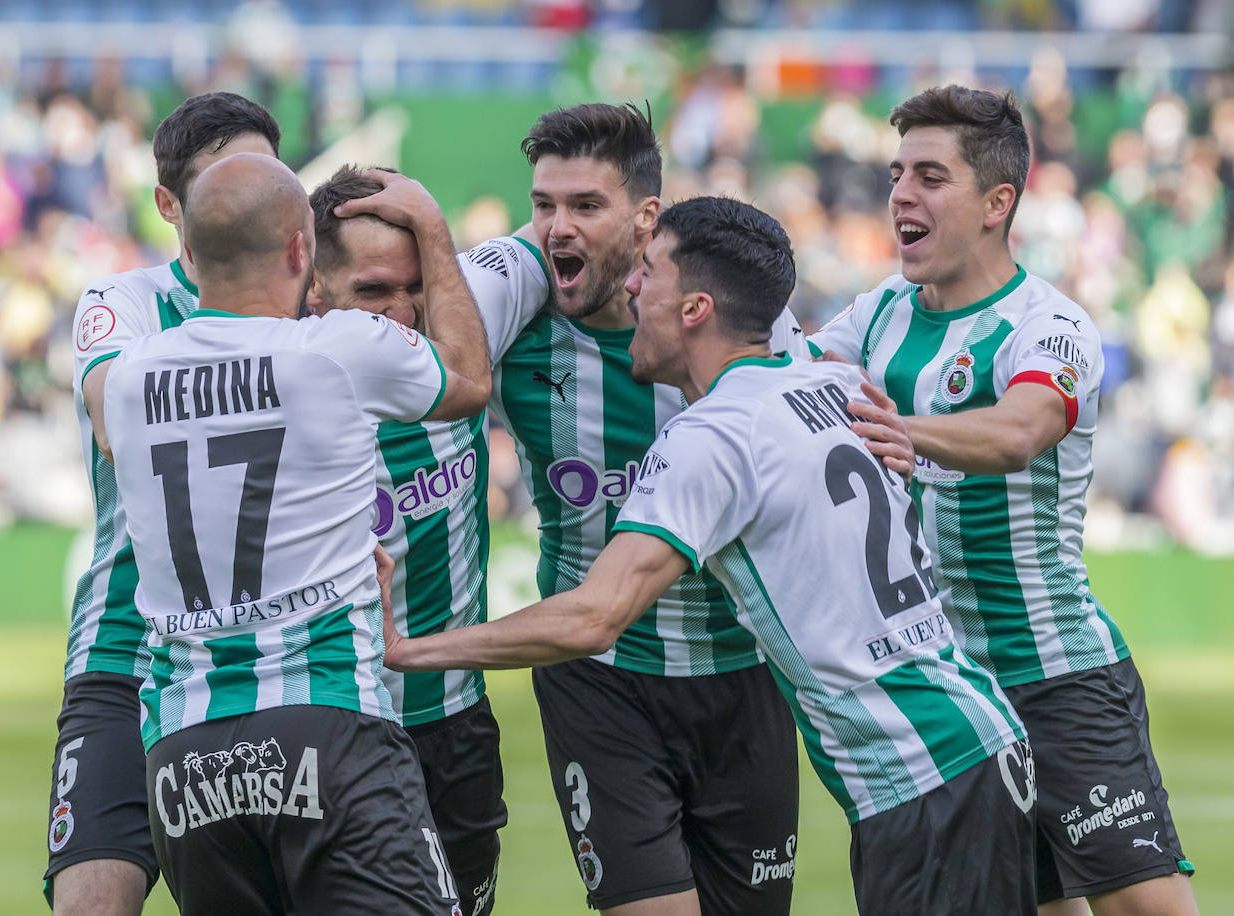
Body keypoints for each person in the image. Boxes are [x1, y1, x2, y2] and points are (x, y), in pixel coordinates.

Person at [386, 195, 1039, 916]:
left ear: (694, 308)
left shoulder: (718, 433)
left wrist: (409, 650)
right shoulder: (837, 384)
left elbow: (595, 618)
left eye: (651, 274)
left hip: (923, 776)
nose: (632, 286)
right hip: (973, 740)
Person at [809, 85, 1199, 916]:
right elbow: (787, 388)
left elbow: (1020, 430)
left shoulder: (1049, 325)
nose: (901, 195)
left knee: (1147, 909)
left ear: (997, 202)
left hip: (1055, 674)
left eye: (930, 176)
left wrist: (902, 432)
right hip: (948, 693)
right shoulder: (877, 314)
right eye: (896, 173)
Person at [95, 152, 490, 913]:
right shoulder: (335, 348)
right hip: (326, 718)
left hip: (184, 753)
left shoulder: (124, 379)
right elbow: (468, 382)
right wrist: (435, 233)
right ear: (301, 252)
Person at [485, 101, 818, 916]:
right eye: (544, 206)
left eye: (584, 207)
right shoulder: (514, 327)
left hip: (742, 677)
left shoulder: (746, 334)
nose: (556, 229)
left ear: (646, 220)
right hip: (600, 682)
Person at [46, 91, 280, 916]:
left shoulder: (316, 309)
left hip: (265, 663)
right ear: (168, 205)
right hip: (125, 647)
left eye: (262, 176)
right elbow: (118, 421)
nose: (244, 198)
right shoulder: (126, 303)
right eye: (222, 180)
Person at [304, 164, 551, 916]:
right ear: (312, 286)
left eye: (417, 285)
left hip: (454, 719)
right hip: (336, 721)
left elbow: (579, 227)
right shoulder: (280, 378)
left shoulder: (462, 311)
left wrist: (438, 236)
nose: (403, 314)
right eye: (374, 293)